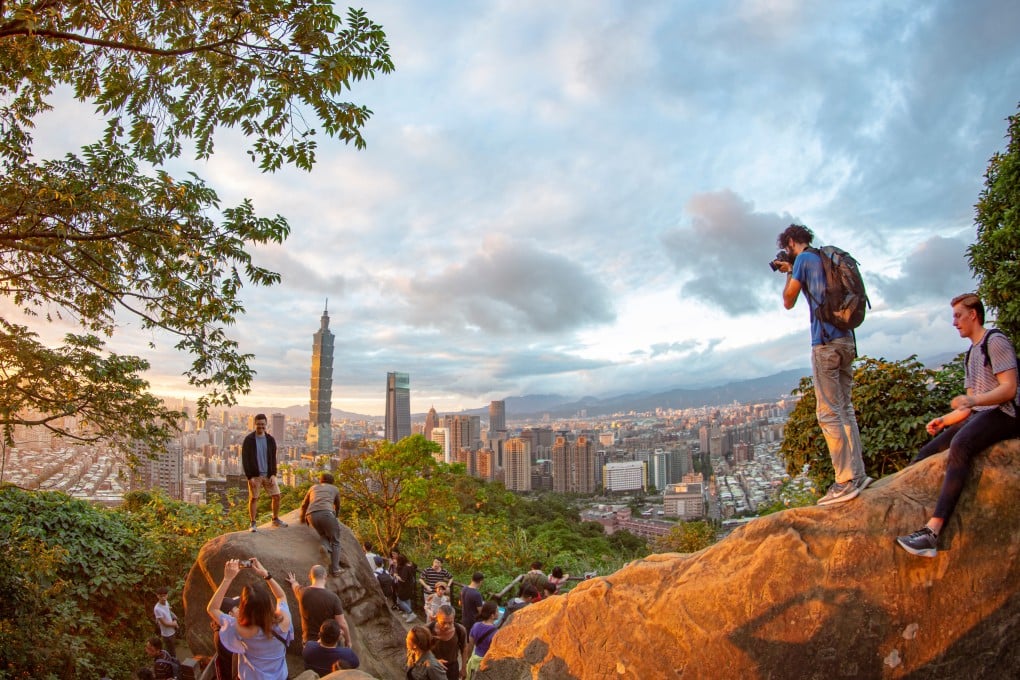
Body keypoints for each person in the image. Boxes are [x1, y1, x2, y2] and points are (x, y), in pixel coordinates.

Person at [896, 293, 1020, 556]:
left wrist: (973, 399)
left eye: (958, 316)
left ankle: (933, 532)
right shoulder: (971, 353)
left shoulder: (994, 341)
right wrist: (943, 421)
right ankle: (898, 507)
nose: (954, 323)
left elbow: (1008, 389)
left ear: (973, 314)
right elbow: (969, 408)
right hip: (982, 414)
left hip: (1006, 413)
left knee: (960, 444)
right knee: (927, 452)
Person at [777, 224, 871, 505]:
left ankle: (844, 481)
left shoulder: (804, 260)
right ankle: (859, 474)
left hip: (826, 343)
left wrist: (789, 271)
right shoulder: (827, 258)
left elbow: (788, 301)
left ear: (792, 242)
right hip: (847, 339)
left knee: (829, 414)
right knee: (845, 409)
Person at [206, 557, 293, 680]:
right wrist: (266, 575)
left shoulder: (238, 628)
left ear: (243, 607)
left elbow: (212, 609)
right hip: (279, 677)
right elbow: (281, 596)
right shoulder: (283, 621)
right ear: (268, 604)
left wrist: (227, 578)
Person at [285, 564, 351, 648]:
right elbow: (342, 623)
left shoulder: (302, 593)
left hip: (309, 643)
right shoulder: (333, 598)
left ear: (310, 576)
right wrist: (348, 641)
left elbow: (295, 587)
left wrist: (293, 581)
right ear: (325, 577)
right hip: (328, 644)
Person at [241, 414, 287, 532]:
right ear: (255, 424)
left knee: (276, 496)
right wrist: (249, 477)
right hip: (255, 475)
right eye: (259, 424)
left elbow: (273, 458)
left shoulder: (270, 440)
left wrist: (273, 474)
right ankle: (252, 523)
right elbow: (245, 459)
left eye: (263, 424)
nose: (261, 426)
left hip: (268, 474)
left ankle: (275, 519)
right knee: (254, 498)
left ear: (266, 425)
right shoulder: (249, 440)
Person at [299, 473, 345, 576]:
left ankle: (325, 546)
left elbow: (304, 504)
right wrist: (335, 517)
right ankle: (335, 569)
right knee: (336, 541)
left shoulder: (313, 487)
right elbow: (337, 505)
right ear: (332, 482)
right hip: (326, 514)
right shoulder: (334, 489)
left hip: (311, 515)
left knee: (323, 534)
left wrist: (302, 518)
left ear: (320, 480)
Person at [426, 605, 468, 680]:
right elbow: (419, 650)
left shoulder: (460, 630)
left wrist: (464, 668)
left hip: (452, 667)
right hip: (433, 667)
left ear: (454, 618)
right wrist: (433, 661)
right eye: (443, 622)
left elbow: (464, 648)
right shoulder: (428, 630)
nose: (446, 626)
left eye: (450, 622)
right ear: (437, 618)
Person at [464, 601, 499, 680]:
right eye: (497, 611)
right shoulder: (496, 633)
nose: (498, 613)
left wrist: (469, 658)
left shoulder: (475, 625)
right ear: (492, 615)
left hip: (474, 659)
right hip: (485, 663)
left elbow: (470, 644)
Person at [212, 596, 240, 680]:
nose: (239, 610)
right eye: (237, 608)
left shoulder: (224, 629)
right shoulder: (225, 636)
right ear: (230, 614)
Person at [153, 586, 180, 658]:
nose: (163, 598)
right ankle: (173, 665)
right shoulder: (157, 609)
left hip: (172, 631)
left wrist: (174, 621)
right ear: (157, 596)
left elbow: (169, 612)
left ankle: (173, 663)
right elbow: (164, 623)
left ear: (167, 595)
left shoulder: (166, 602)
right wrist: (174, 624)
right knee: (170, 652)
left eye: (164, 596)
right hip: (166, 634)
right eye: (161, 596)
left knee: (173, 649)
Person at [394, 552, 418, 622]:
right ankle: (408, 613)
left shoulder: (405, 568)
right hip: (409, 586)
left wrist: (396, 575)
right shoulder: (409, 565)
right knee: (407, 599)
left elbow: (403, 579)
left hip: (404, 587)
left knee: (399, 600)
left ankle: (411, 613)